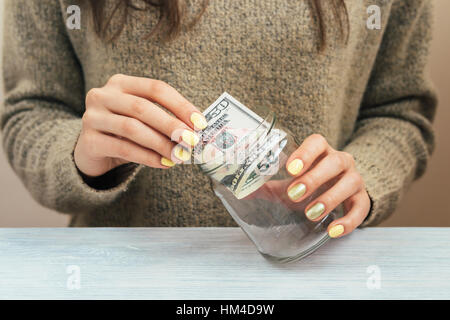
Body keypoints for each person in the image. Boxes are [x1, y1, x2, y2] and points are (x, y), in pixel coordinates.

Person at [1, 0, 436, 238]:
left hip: (316, 269)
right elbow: (31, 111)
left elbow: (398, 110)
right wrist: (79, 155)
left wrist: (364, 177)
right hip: (123, 275)